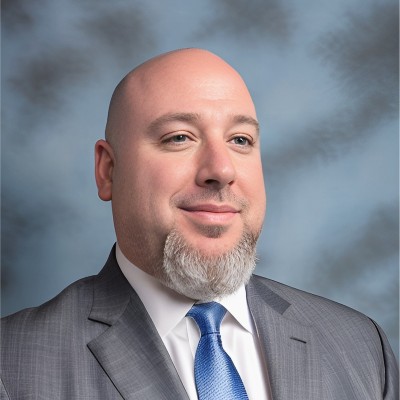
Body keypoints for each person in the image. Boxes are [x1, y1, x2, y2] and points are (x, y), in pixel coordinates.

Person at [0, 49, 398, 400]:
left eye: (240, 140)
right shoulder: (13, 368)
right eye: (179, 137)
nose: (221, 170)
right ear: (108, 171)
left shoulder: (362, 348)